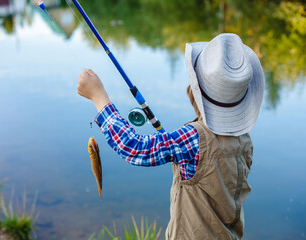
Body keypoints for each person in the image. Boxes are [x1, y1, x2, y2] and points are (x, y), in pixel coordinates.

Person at [77, 33, 264, 240]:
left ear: (193, 90)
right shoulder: (245, 141)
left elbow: (136, 147)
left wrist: (99, 98)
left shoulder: (192, 139)